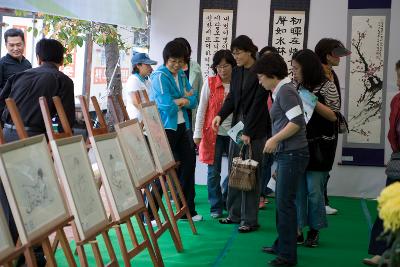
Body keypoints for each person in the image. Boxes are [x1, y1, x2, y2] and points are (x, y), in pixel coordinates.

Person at [0, 38, 75, 266]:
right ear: (61, 60)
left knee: (7, 195)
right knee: (32, 196)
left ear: (39, 57)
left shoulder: (19, 76)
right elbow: (66, 124)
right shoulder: (62, 80)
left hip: (7, 136)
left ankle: (9, 251)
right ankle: (29, 253)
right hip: (33, 140)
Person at [212, 35, 271, 233]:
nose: (234, 56)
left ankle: (249, 219)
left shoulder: (260, 73)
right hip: (237, 128)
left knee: (250, 174)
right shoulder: (236, 72)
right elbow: (231, 99)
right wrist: (220, 115)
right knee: (235, 170)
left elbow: (257, 105)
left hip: (255, 130)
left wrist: (248, 131)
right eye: (233, 52)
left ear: (249, 51)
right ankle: (234, 214)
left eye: (238, 53)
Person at [255, 53, 309, 267]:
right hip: (289, 153)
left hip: (293, 153)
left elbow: (297, 122)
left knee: (285, 203)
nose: (259, 81)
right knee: (283, 202)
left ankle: (287, 255)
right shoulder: (282, 90)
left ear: (271, 75)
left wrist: (274, 140)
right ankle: (282, 245)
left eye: (261, 77)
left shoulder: (285, 91)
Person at [292, 49, 340, 247]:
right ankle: (298, 230)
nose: (293, 72)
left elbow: (334, 116)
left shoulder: (328, 86)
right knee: (299, 190)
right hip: (299, 143)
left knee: (314, 190)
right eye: (292, 68)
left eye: (296, 68)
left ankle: (315, 230)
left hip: (321, 145)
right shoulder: (295, 85)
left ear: (308, 68)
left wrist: (310, 99)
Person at [150, 40, 202, 221]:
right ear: (166, 59)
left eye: (180, 61)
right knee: (161, 171)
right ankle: (149, 215)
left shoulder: (180, 75)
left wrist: (181, 100)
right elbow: (165, 106)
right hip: (165, 128)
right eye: (173, 60)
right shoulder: (159, 76)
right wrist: (183, 100)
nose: (177, 65)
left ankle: (187, 211)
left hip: (182, 126)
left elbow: (194, 100)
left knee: (189, 165)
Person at [362, 60, 400, 266]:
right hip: (398, 160)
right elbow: (394, 134)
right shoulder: (397, 100)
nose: (399, 80)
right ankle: (381, 252)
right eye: (398, 75)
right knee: (388, 208)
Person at [193, 49, 236, 218]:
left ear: (233, 66)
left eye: (226, 66)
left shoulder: (238, 83)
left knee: (235, 170)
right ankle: (216, 206)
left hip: (234, 133)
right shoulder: (209, 83)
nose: (223, 70)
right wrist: (197, 133)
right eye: (219, 67)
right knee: (213, 171)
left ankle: (227, 200)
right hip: (213, 134)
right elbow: (202, 109)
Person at [314, 38, 351, 215]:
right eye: (337, 53)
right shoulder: (316, 75)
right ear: (327, 55)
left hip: (330, 126)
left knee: (325, 165)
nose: (340, 58)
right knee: (319, 166)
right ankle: (320, 202)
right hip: (318, 129)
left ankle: (322, 200)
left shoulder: (331, 73)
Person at [258, 45, 279, 209]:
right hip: (261, 129)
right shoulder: (260, 82)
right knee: (262, 163)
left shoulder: (279, 87)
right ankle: (259, 195)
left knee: (268, 163)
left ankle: (262, 193)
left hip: (275, 131)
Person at [173, 37, 203, 129]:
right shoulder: (171, 67)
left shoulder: (195, 66)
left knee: (190, 139)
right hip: (176, 111)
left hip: (191, 110)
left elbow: (200, 91)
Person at [124, 52, 157, 121]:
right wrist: (152, 115)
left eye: (150, 65)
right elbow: (136, 103)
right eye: (147, 65)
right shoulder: (133, 80)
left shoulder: (147, 80)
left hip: (147, 120)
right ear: (138, 65)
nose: (150, 68)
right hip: (137, 121)